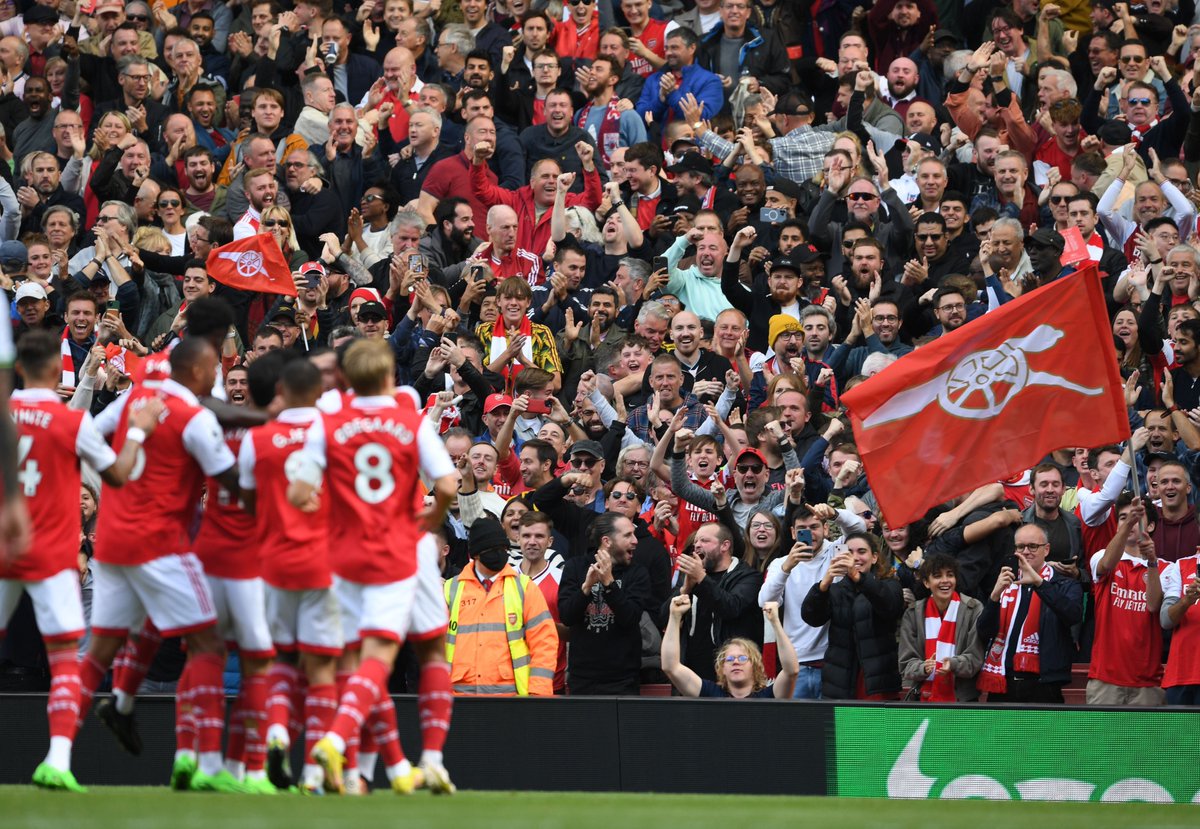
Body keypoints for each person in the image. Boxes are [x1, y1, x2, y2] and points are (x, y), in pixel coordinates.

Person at [287, 339, 457, 795]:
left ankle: (388, 767)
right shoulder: (409, 415)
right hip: (402, 550)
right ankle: (398, 756)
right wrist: (434, 517)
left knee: (351, 660)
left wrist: (333, 512)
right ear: (388, 376)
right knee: (414, 653)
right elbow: (447, 483)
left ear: (344, 379)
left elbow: (299, 494)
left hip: (341, 554)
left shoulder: (328, 418)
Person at [6, 331, 162, 792]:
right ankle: (56, 759)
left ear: (18, 370)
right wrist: (138, 429)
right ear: (56, 371)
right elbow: (117, 475)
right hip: (52, 555)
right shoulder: (70, 423)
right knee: (66, 659)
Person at [443, 518, 558, 696]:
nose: (499, 554)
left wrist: (538, 695)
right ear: (476, 554)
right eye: (492, 550)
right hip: (458, 697)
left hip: (510, 699)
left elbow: (544, 643)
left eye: (503, 549)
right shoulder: (450, 589)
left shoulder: (524, 588)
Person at [976, 523, 1084, 703]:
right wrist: (994, 597)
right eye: (1020, 547)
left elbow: (1072, 615)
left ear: (1046, 549)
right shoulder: (1005, 583)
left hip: (1044, 684)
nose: (1026, 552)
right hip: (1004, 683)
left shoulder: (1065, 584)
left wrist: (1040, 584)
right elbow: (984, 632)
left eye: (1033, 546)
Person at [800, 531, 904, 700]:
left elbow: (890, 606)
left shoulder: (890, 585)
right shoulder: (835, 589)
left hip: (877, 680)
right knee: (843, 726)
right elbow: (811, 617)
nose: (854, 558)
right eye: (849, 552)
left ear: (875, 557)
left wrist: (858, 578)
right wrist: (824, 583)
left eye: (861, 552)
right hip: (840, 681)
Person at [558, 512, 652, 695]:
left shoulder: (638, 573)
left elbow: (630, 618)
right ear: (607, 541)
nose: (635, 541)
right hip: (582, 678)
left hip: (623, 679)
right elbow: (567, 616)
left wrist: (609, 584)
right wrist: (585, 589)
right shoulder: (575, 567)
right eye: (627, 535)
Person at [1088, 495, 1166, 706]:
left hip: (1147, 683)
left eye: (1135, 517)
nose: (1128, 521)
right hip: (1105, 679)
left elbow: (1153, 605)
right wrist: (1130, 523)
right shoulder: (1101, 555)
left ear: (1150, 526)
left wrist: (1152, 562)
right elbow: (1105, 565)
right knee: (1101, 740)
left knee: (1148, 740)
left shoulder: (1166, 568)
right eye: (1122, 518)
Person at [662, 596, 797, 698]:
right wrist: (674, 617)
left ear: (755, 666)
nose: (736, 662)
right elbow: (671, 667)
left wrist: (775, 622)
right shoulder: (710, 694)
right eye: (730, 659)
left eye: (743, 658)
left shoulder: (767, 696)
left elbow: (791, 671)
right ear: (722, 669)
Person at [898, 553, 985, 702]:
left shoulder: (973, 609)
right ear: (926, 582)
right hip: (922, 697)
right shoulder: (913, 613)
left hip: (962, 700)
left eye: (950, 575)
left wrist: (953, 664)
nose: (945, 581)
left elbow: (975, 658)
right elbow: (906, 664)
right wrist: (924, 668)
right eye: (937, 576)